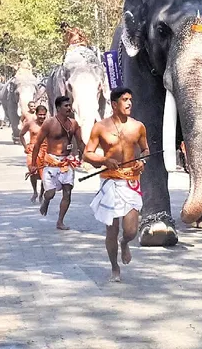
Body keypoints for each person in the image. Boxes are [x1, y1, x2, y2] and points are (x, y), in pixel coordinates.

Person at [85, 88, 149, 283]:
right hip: (110, 181)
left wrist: (142, 161)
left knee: (131, 230)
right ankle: (114, 267)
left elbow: (146, 149)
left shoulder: (138, 126)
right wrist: (104, 160)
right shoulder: (100, 127)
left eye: (130, 99)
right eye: (124, 100)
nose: (129, 103)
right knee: (111, 229)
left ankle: (125, 242)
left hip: (131, 181)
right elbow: (87, 153)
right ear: (114, 104)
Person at [31, 96, 84, 231]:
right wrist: (33, 164)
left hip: (67, 161)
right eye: (65, 106)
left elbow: (81, 143)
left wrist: (85, 157)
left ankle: (60, 221)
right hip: (52, 161)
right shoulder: (49, 123)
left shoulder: (74, 124)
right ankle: (46, 200)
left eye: (69, 105)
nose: (69, 108)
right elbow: (37, 145)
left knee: (67, 192)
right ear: (58, 108)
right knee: (51, 193)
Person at [19, 105, 48, 203]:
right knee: (32, 171)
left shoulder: (49, 124)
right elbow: (21, 135)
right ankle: (35, 191)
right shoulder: (30, 124)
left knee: (45, 174)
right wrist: (25, 146)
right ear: (36, 114)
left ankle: (41, 193)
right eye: (40, 115)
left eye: (44, 115)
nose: (42, 117)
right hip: (32, 150)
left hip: (45, 150)